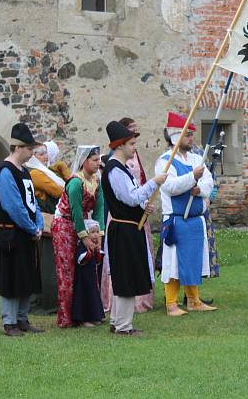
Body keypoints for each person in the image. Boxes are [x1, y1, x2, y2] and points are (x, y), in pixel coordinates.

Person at [101, 121, 166, 337]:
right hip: (123, 231)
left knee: (124, 276)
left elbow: (133, 197)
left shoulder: (122, 169)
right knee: (125, 277)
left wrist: (143, 207)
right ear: (119, 146)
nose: (134, 147)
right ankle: (123, 326)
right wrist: (154, 183)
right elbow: (130, 197)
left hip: (129, 228)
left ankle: (118, 322)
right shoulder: (114, 170)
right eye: (131, 143)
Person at [156, 112, 216, 317]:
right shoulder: (165, 161)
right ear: (176, 136)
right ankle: (171, 303)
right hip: (176, 219)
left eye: (192, 135)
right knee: (173, 263)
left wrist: (199, 189)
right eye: (188, 135)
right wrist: (192, 177)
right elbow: (170, 186)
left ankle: (193, 300)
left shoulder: (197, 159)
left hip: (195, 218)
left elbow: (209, 181)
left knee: (194, 259)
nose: (192, 139)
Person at [0, 123, 46, 336]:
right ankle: (10, 322)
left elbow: (33, 202)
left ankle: (22, 318)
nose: (32, 152)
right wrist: (32, 227)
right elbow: (13, 206)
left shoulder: (25, 172)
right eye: (30, 148)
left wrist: (39, 224)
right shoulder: (6, 172)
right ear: (19, 148)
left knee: (26, 276)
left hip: (26, 233)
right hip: (11, 235)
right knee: (10, 277)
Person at [52, 145, 104, 328]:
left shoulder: (97, 181)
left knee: (85, 268)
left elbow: (99, 208)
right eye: (94, 160)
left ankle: (87, 313)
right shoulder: (75, 183)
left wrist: (98, 234)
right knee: (67, 270)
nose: (99, 163)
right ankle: (67, 317)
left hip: (82, 224)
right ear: (84, 161)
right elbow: (74, 211)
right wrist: (85, 238)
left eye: (99, 159)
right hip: (64, 226)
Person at [71, 220, 105, 326]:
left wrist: (98, 252)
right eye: (92, 232)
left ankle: (95, 316)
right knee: (85, 296)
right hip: (83, 279)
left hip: (92, 278)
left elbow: (98, 261)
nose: (95, 235)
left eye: (97, 232)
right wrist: (90, 252)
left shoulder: (95, 245)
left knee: (93, 295)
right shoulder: (82, 245)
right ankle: (84, 318)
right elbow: (80, 260)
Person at [27, 143, 65, 214]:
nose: (46, 157)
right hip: (47, 213)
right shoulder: (35, 173)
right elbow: (56, 191)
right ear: (33, 157)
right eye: (41, 154)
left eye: (46, 153)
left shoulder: (43, 169)